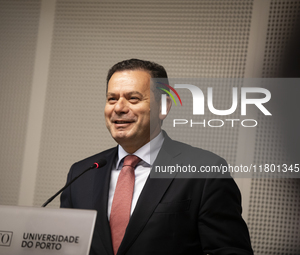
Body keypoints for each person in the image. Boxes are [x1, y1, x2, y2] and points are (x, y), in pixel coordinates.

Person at [60, 59, 253, 255]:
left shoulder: (205, 171)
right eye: (112, 99)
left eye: (133, 98)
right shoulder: (81, 173)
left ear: (163, 107)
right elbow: (64, 247)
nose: (118, 108)